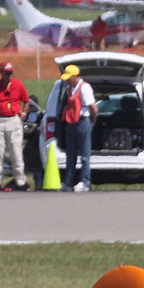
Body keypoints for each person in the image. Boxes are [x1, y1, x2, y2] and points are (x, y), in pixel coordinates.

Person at [0, 62, 30, 191]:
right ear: (1, 73)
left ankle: (20, 181)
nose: (9, 75)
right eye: (6, 73)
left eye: (10, 72)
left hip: (13, 120)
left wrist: (22, 115)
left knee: (16, 151)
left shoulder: (18, 85)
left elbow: (26, 101)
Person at [57, 64, 96, 193]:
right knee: (71, 155)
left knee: (84, 155)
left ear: (75, 76)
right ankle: (68, 182)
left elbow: (93, 108)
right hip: (71, 124)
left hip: (82, 122)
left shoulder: (84, 87)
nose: (67, 80)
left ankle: (85, 182)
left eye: (69, 77)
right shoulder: (69, 88)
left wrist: (91, 123)